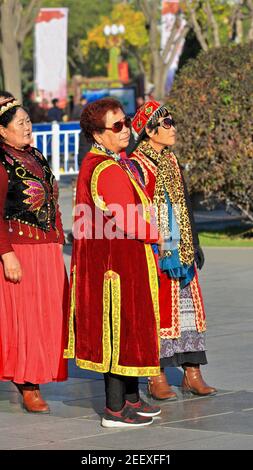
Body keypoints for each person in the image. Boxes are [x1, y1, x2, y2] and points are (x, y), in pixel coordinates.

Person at [64, 97, 162, 427]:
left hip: (117, 261)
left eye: (126, 121)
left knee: (127, 331)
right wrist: (160, 235)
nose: (126, 129)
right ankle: (115, 410)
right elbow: (127, 218)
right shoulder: (105, 167)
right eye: (117, 126)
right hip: (114, 267)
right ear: (98, 134)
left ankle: (130, 400)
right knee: (117, 335)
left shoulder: (110, 160)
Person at [130, 100, 217, 399]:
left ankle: (192, 374)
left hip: (181, 248)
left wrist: (194, 241)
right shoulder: (136, 165)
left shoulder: (171, 161)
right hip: (155, 249)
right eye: (166, 123)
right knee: (158, 311)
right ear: (149, 130)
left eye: (172, 122)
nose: (173, 128)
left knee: (190, 311)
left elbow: (185, 206)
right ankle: (156, 375)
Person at [0, 96, 68, 413]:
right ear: (3, 131)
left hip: (46, 247)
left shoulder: (36, 155)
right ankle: (28, 384)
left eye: (28, 121)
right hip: (20, 249)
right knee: (25, 320)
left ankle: (36, 373)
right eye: (20, 123)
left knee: (47, 317)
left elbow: (51, 198)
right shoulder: (2, 161)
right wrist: (6, 254)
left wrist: (58, 235)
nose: (28, 127)